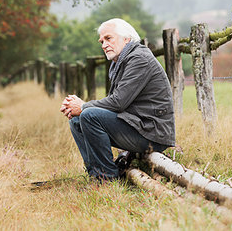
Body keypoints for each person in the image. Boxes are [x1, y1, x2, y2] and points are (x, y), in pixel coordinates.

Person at [60, 18, 175, 181]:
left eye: (108, 38)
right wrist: (78, 108)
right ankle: (95, 173)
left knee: (89, 115)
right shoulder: (119, 62)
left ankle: (106, 178)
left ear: (126, 39)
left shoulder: (139, 58)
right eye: (101, 41)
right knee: (76, 120)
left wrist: (83, 105)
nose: (103, 44)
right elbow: (115, 103)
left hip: (152, 133)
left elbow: (117, 102)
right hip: (137, 126)